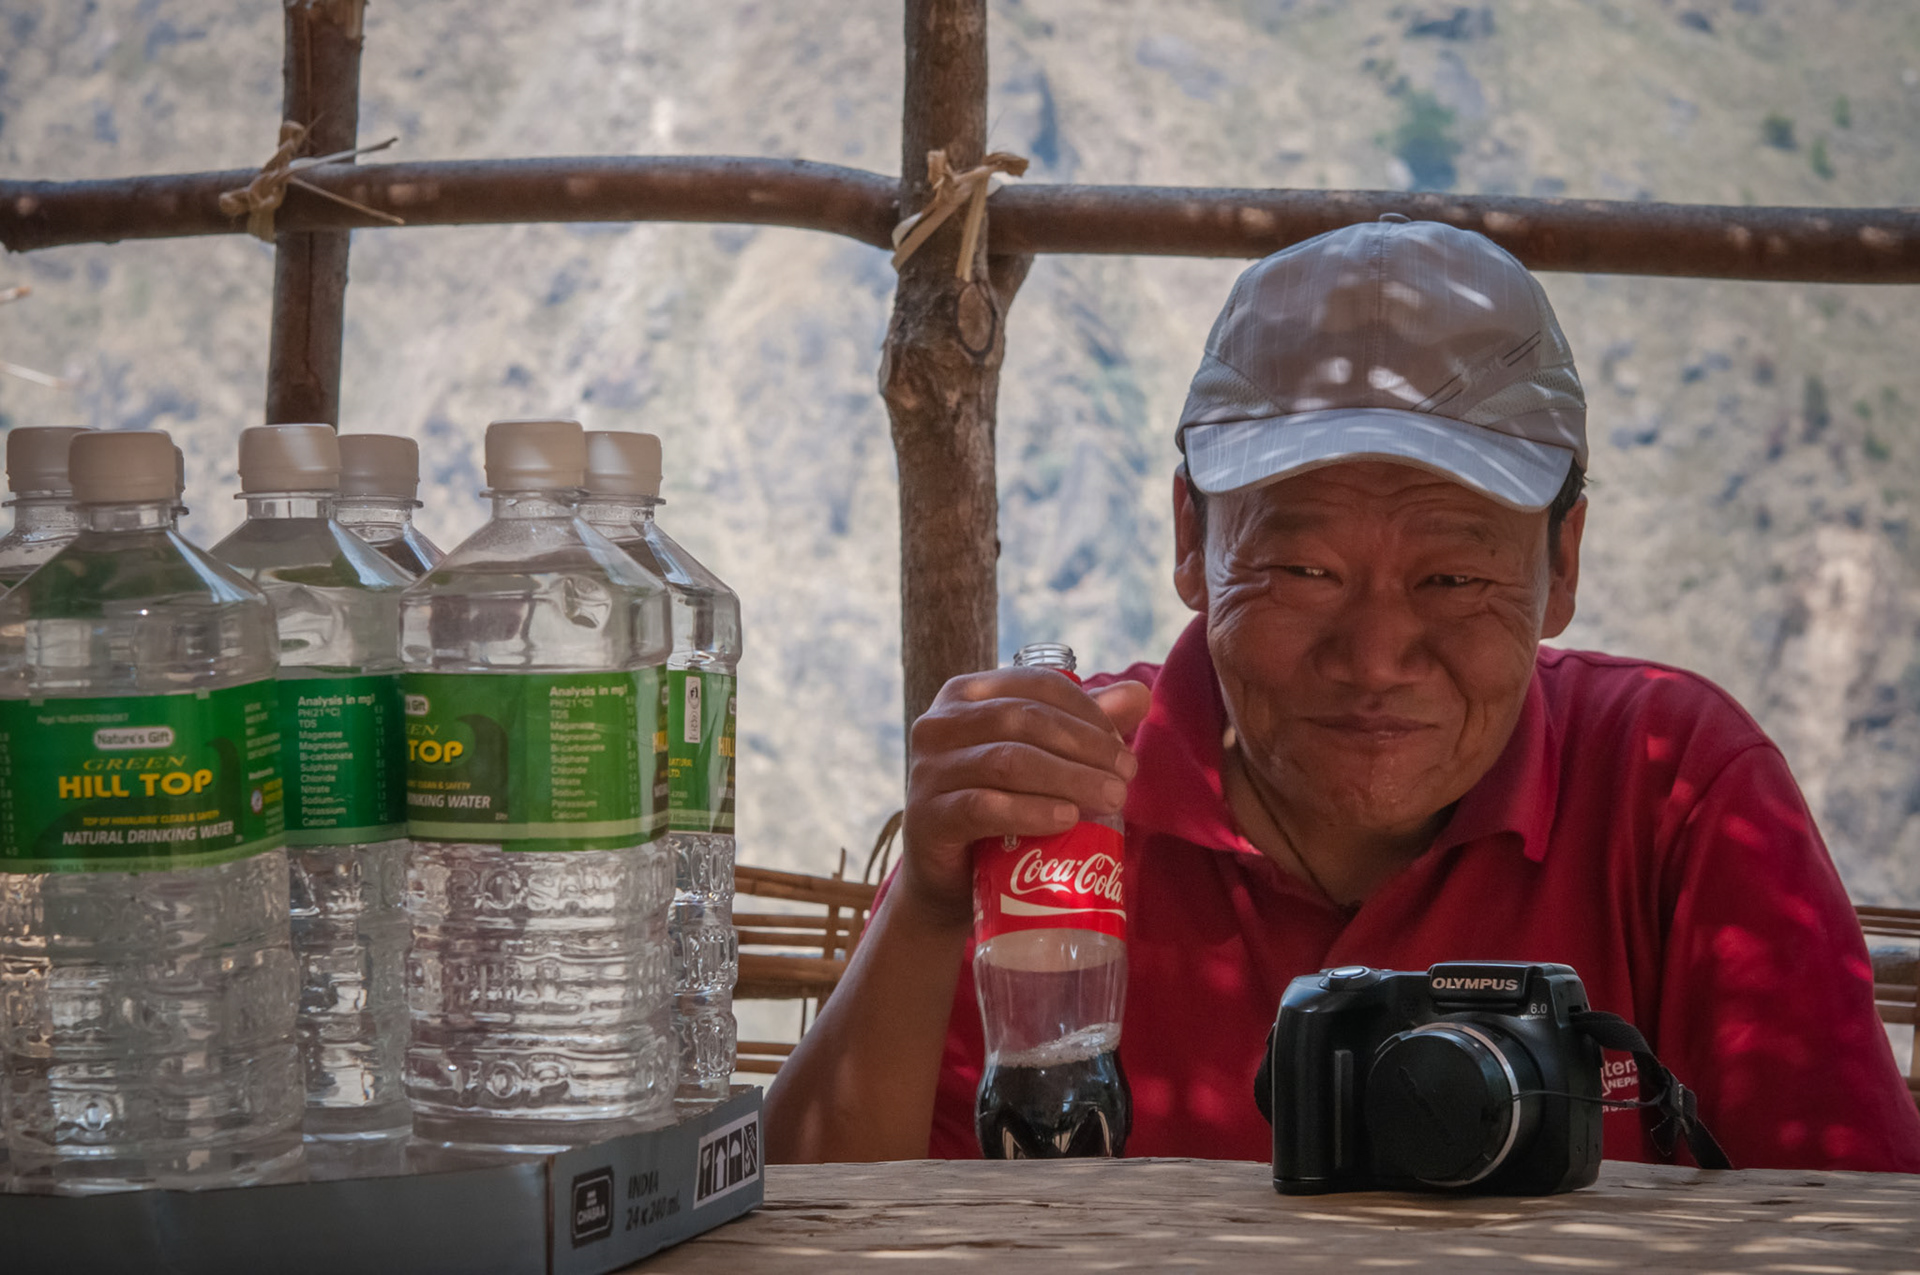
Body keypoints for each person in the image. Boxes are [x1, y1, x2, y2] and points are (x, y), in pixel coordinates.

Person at [765, 216, 1920, 1172]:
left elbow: (1857, 1221)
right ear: (1191, 541)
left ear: (1561, 567)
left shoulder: (1678, 790)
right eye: (1304, 569)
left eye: (1454, 576)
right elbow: (816, 1224)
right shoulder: (1068, 804)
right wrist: (926, 904)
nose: (1375, 655)